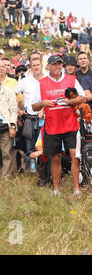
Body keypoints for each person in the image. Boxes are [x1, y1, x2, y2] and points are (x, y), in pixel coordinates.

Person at [32, 55, 86, 196]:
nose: (57, 67)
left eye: (59, 64)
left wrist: (71, 101)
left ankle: (77, 189)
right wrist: (42, 103)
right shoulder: (42, 83)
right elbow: (33, 106)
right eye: (54, 64)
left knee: (75, 156)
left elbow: (83, 97)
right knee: (55, 158)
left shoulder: (71, 79)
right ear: (48, 66)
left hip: (71, 124)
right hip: (52, 126)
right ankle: (56, 189)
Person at [14, 53, 46, 174]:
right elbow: (14, 93)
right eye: (34, 65)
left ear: (42, 65)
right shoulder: (25, 81)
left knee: (44, 146)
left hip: (45, 118)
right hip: (30, 118)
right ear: (30, 67)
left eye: (38, 65)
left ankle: (43, 170)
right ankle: (30, 171)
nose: (36, 67)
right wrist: (18, 109)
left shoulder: (47, 78)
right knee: (29, 146)